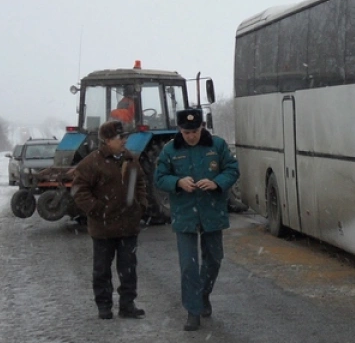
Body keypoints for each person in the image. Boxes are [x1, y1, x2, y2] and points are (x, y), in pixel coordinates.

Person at [154, 109, 240, 331]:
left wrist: (217, 182)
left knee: (214, 259)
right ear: (179, 130)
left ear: (202, 127)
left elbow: (232, 169)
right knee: (188, 265)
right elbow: (159, 177)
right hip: (185, 214)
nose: (191, 136)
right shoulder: (170, 150)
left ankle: (203, 294)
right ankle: (193, 311)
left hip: (212, 211)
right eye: (186, 131)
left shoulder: (217, 146)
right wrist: (177, 182)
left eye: (194, 131)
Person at [72, 120, 149, 319]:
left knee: (128, 269)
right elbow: (80, 191)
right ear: (106, 140)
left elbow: (140, 182)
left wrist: (140, 205)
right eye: (119, 138)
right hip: (103, 228)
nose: (124, 141)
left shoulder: (131, 160)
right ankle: (104, 306)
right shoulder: (91, 163)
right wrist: (98, 210)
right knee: (102, 270)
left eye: (125, 137)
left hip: (128, 227)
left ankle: (127, 305)